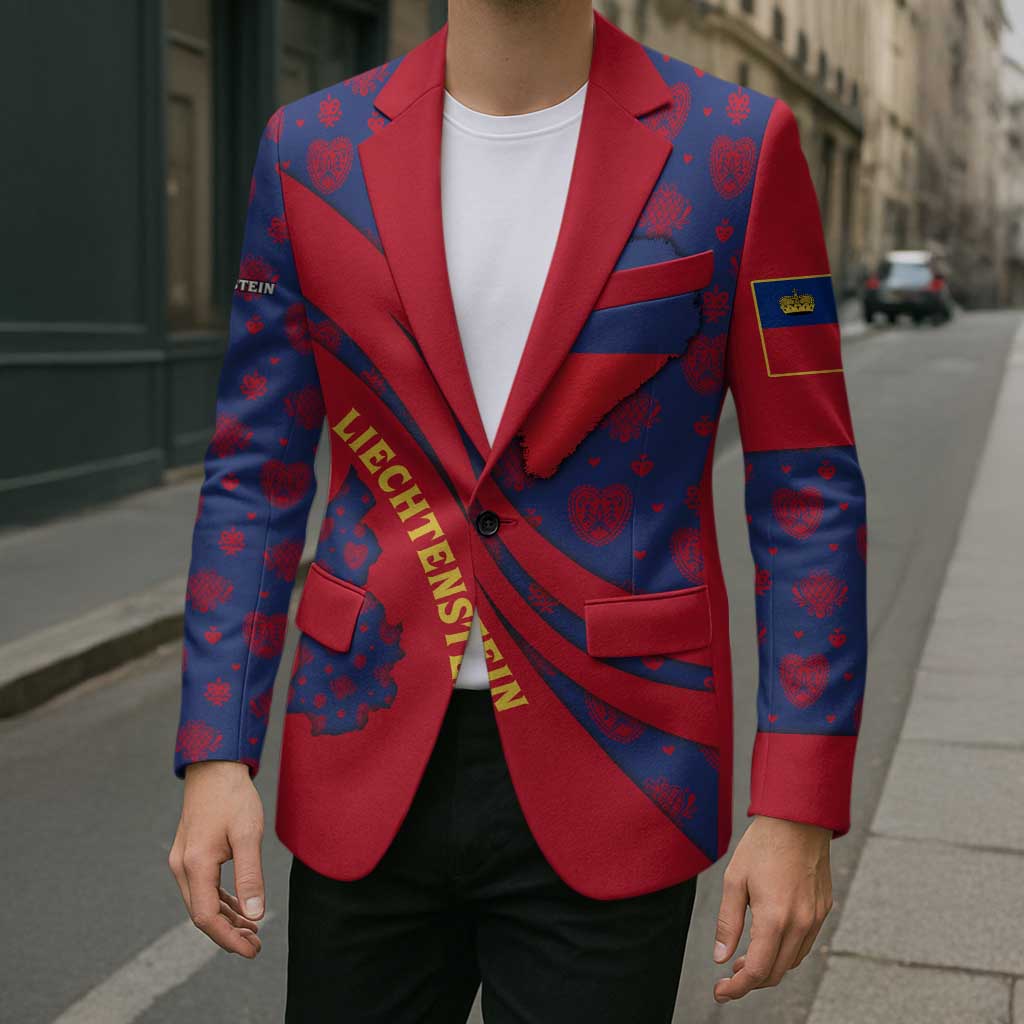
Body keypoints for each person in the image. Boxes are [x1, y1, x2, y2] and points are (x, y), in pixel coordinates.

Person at [168, 2, 868, 1020]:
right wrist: (216, 747)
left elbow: (807, 489)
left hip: (622, 759)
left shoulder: (737, 148)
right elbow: (255, 471)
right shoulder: (309, 148)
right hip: (365, 745)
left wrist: (798, 796)